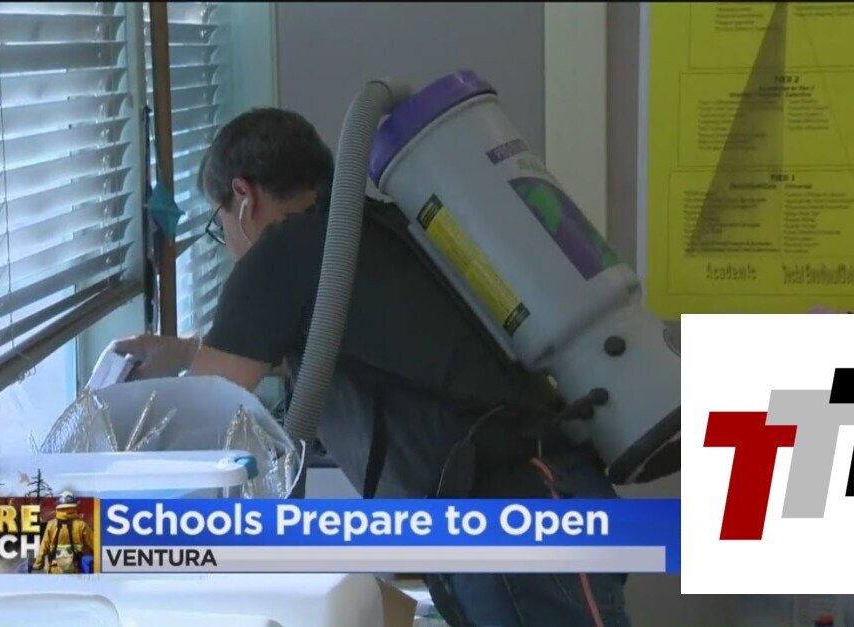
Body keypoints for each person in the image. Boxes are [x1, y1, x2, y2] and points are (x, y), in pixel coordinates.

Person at [113, 108, 631, 626]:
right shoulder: (376, 227)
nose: (225, 241)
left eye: (218, 222)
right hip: (541, 494)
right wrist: (184, 353)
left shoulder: (281, 254)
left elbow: (204, 428)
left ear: (243, 197)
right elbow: (363, 347)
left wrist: (86, 523)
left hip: (512, 517)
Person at [31, 491, 95, 574]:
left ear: (58, 508)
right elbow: (95, 544)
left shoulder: (51, 524)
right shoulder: (81, 524)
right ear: (74, 507)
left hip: (55, 568)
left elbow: (43, 547)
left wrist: (37, 565)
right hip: (74, 567)